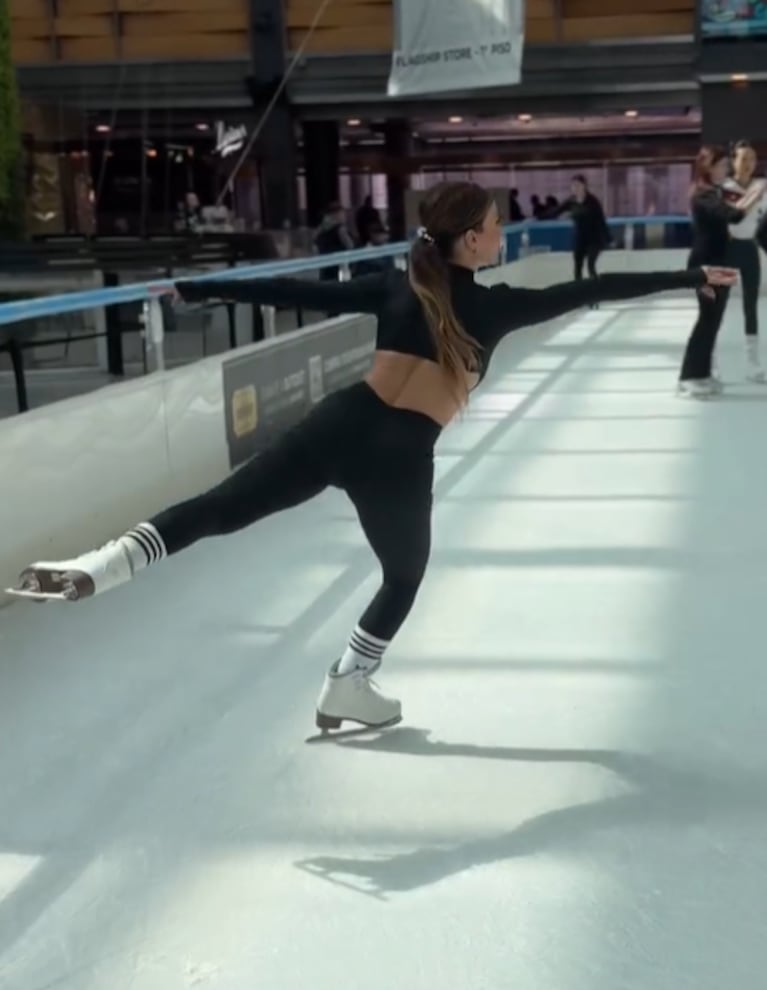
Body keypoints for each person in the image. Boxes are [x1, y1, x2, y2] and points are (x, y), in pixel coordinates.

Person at [6, 182, 737, 733]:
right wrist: (687, 278)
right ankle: (349, 682)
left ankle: (100, 565)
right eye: (491, 227)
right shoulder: (498, 306)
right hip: (399, 456)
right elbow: (595, 288)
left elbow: (292, 288)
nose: (500, 233)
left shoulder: (396, 285)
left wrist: (192, 285)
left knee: (220, 510)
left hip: (339, 423)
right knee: (402, 575)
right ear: (470, 243)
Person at [678, 145, 765, 398]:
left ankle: (703, 374)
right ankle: (689, 376)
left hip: (721, 263)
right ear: (708, 167)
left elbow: (740, 212)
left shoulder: (716, 191)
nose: (725, 170)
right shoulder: (703, 195)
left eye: (727, 166)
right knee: (706, 320)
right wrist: (756, 194)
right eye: (721, 166)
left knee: (714, 321)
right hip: (705, 265)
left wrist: (754, 195)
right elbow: (735, 217)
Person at [722, 140, 767, 382]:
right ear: (733, 161)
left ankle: (752, 361)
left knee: (751, 306)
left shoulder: (762, 186)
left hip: (749, 250)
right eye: (743, 158)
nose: (748, 163)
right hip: (727, 250)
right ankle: (710, 360)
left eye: (752, 158)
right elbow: (735, 214)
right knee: (717, 303)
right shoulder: (725, 187)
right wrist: (755, 196)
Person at [553, 175, 611, 283]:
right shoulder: (571, 201)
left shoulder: (593, 201)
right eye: (573, 186)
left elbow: (601, 220)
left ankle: (595, 290)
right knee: (577, 267)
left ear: (584, 186)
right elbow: (556, 211)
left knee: (590, 265)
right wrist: (537, 217)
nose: (575, 188)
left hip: (594, 239)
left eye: (578, 185)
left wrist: (608, 239)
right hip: (579, 239)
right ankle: (577, 293)